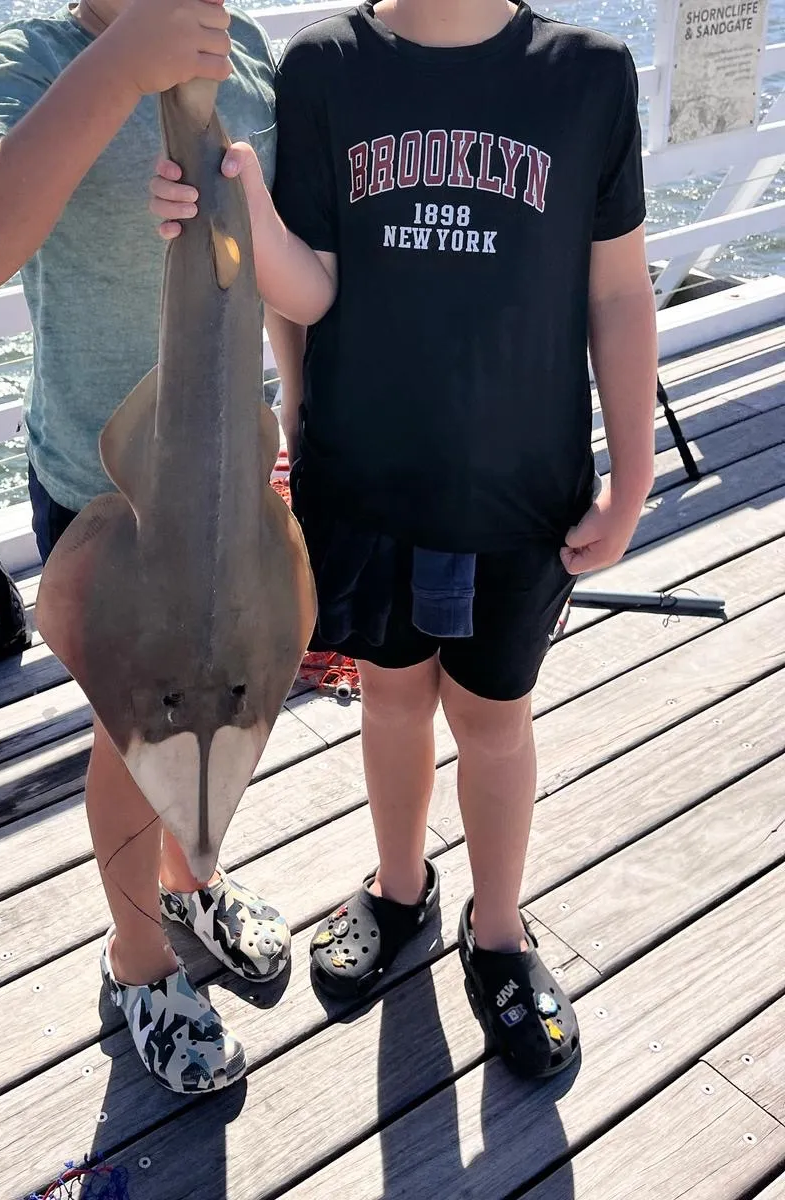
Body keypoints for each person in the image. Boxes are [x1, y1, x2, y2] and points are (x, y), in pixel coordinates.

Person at [150, 0, 657, 1078]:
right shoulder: (326, 66)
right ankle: (399, 888)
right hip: (368, 482)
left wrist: (634, 474)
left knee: (494, 717)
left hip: (521, 494)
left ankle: (500, 931)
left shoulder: (590, 74)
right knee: (388, 696)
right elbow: (307, 283)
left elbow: (617, 289)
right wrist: (239, 210)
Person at [0, 0, 294, 1094]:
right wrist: (118, 68)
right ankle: (137, 958)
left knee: (220, 703)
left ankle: (189, 884)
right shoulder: (37, 57)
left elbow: (269, 255)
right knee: (134, 736)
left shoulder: (248, 52)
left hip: (229, 483)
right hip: (109, 501)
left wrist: (300, 417)